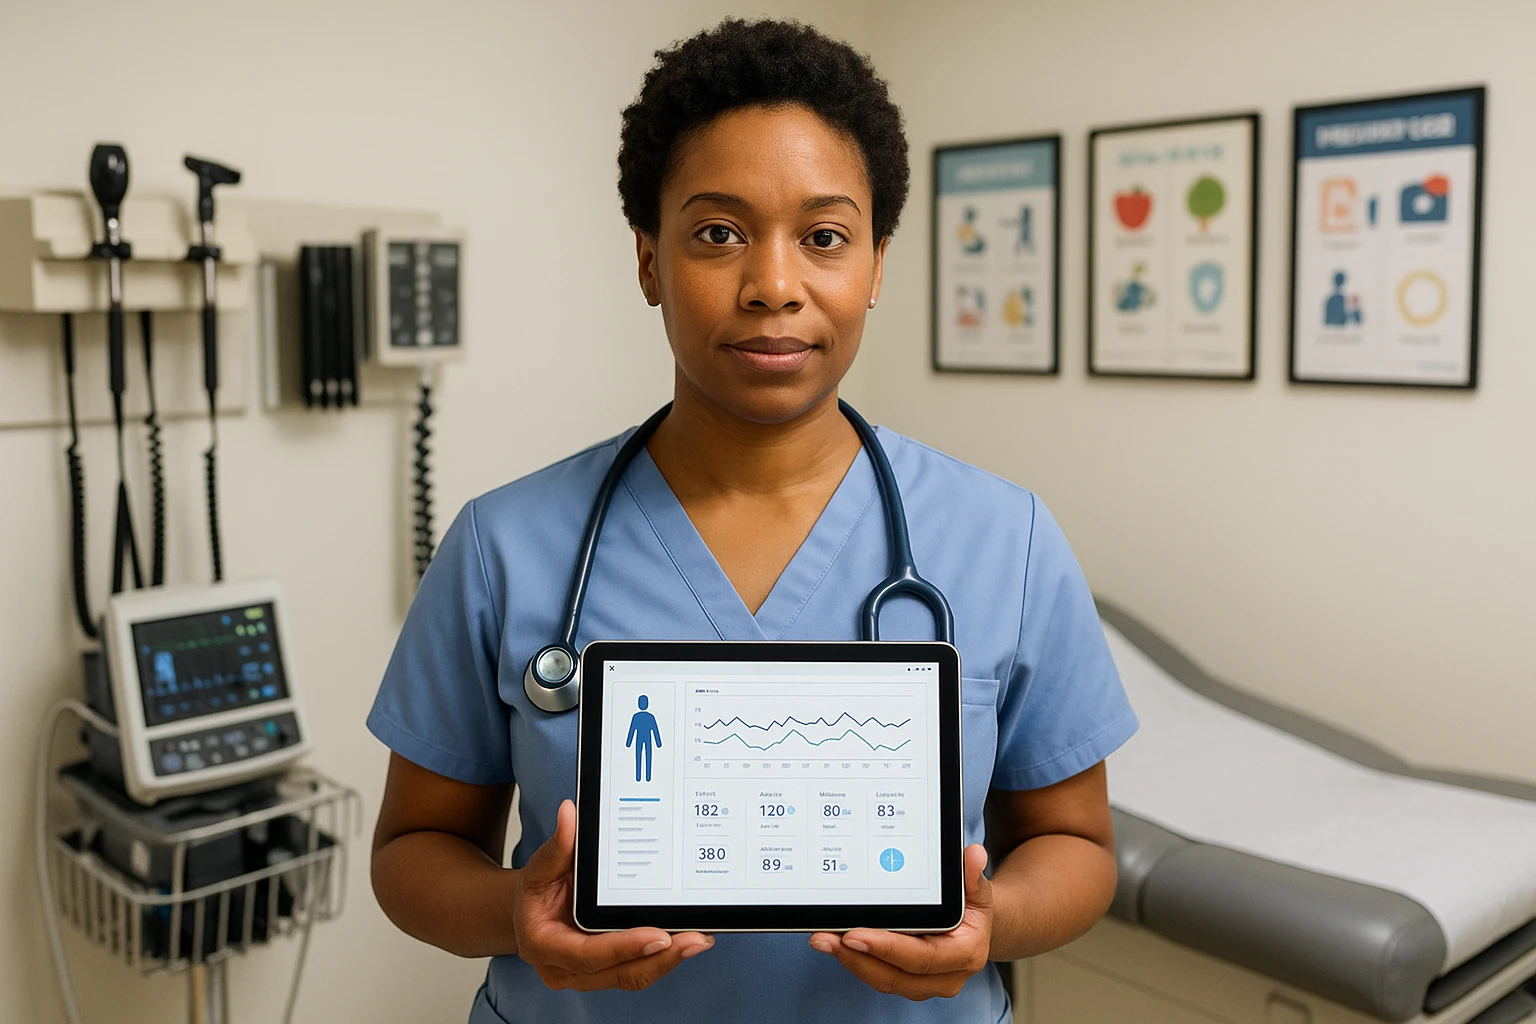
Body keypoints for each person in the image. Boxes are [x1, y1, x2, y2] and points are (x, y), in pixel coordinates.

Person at [368, 18, 1136, 1023]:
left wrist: (1001, 919)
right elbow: (410, 853)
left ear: (874, 266)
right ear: (648, 259)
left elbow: (1077, 846)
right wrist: (517, 912)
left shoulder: (1008, 540)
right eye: (718, 233)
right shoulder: (503, 545)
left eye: (823, 237)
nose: (775, 285)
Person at [626, 696, 662, 783]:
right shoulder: (649, 716)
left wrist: (629, 743)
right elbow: (655, 730)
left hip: (640, 738)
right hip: (646, 738)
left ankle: (639, 777)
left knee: (639, 756)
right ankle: (647, 777)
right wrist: (658, 743)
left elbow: (632, 730)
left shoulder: (637, 716)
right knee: (647, 756)